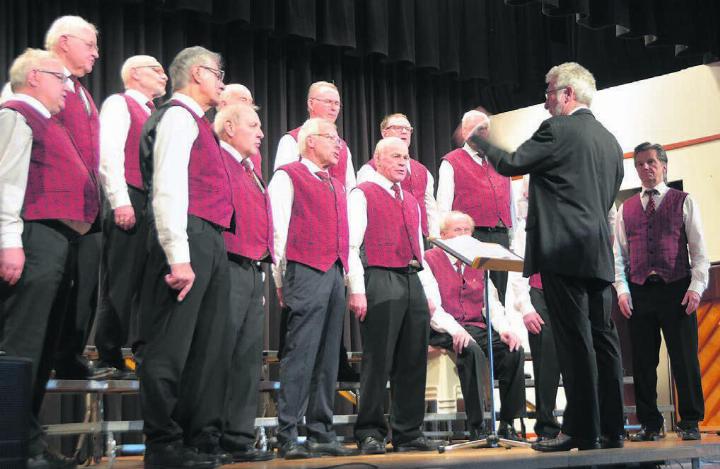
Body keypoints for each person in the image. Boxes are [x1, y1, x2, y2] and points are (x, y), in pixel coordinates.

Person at [465, 62, 625, 452]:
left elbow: (511, 163)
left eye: (550, 92)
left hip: (563, 253)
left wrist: (478, 140)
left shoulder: (557, 129)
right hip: (598, 254)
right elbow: (606, 196)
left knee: (574, 342)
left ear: (568, 94)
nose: (545, 101)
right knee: (603, 340)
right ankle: (612, 428)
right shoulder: (610, 141)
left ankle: (581, 430)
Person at [137, 46, 233, 469]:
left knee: (207, 347)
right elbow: (169, 187)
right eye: (218, 73)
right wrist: (178, 255)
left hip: (209, 237)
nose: (222, 81)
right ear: (197, 73)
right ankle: (164, 443)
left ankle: (197, 439)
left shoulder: (199, 123)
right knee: (171, 344)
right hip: (186, 234)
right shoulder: (177, 117)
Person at [1, 48, 93, 469]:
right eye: (61, 79)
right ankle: (11, 446)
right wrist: (9, 243)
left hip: (57, 242)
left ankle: (29, 442)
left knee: (40, 348)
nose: (67, 88)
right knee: (22, 346)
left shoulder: (48, 121)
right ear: (35, 77)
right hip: (32, 237)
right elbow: (6, 182)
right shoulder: (16, 114)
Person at [268, 117, 357, 459]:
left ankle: (321, 430)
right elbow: (278, 229)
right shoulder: (288, 175)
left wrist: (346, 275)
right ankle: (287, 432)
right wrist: (279, 279)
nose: (339, 144)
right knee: (301, 353)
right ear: (310, 142)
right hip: (304, 269)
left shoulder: (336, 184)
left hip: (334, 272)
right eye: (331, 138)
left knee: (327, 356)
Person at [348, 137, 440, 454]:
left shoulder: (411, 201)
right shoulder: (363, 193)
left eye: (406, 157)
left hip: (411, 278)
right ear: (378, 160)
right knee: (379, 359)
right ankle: (370, 431)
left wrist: (428, 292)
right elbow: (351, 246)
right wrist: (357, 289)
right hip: (379, 275)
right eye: (396, 157)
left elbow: (420, 252)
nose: (403, 162)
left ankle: (408, 431)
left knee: (413, 358)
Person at [614, 142, 709, 442]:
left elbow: (699, 250)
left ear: (664, 166)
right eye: (640, 163)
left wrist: (696, 287)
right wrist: (621, 290)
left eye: (652, 162)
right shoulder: (625, 209)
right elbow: (618, 255)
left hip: (677, 288)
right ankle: (650, 424)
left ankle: (691, 421)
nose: (646, 168)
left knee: (684, 358)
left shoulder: (683, 201)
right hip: (640, 291)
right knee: (643, 362)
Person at [424, 211, 526, 441]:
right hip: (443, 327)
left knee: (513, 351)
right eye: (457, 230)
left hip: (475, 325)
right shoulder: (429, 259)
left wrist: (505, 329)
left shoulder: (478, 261)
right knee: (471, 351)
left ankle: (508, 422)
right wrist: (456, 330)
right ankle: (478, 426)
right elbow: (433, 308)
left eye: (467, 231)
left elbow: (491, 302)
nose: (464, 235)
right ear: (443, 235)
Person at [95, 55, 167, 376]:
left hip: (154, 206)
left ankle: (144, 352)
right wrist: (120, 201)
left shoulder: (158, 114)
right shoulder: (119, 104)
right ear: (135, 74)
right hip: (130, 197)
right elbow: (109, 153)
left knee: (151, 283)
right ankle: (109, 354)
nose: (164, 76)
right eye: (157, 70)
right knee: (121, 280)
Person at [212, 103, 275, 462]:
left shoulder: (249, 169)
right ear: (230, 127)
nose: (261, 133)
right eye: (254, 125)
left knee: (247, 357)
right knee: (221, 353)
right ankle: (213, 434)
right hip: (227, 264)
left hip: (251, 269)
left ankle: (238, 435)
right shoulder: (217, 160)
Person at [43, 15, 104, 380]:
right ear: (65, 42)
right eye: (90, 44)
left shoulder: (81, 91)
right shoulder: (38, 79)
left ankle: (70, 355)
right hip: (53, 207)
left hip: (87, 207)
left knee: (83, 289)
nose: (96, 53)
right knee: (51, 289)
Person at [436, 110, 515, 304]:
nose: (481, 133)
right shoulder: (451, 162)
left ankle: (498, 334)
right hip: (470, 238)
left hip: (500, 236)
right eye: (476, 128)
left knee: (501, 296)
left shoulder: (500, 161)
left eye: (485, 129)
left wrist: (513, 236)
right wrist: (445, 244)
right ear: (464, 132)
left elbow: (510, 202)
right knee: (475, 296)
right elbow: (443, 207)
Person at [509, 178, 562, 442]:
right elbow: (518, 271)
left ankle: (580, 424)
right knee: (546, 365)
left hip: (568, 294)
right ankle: (547, 428)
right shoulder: (525, 229)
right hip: (539, 294)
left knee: (577, 362)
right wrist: (526, 308)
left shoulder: (566, 217)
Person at [356, 113, 440, 239]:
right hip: (388, 239)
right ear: (384, 133)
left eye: (408, 129)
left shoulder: (423, 171)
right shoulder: (370, 169)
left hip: (420, 239)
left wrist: (435, 239)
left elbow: (430, 209)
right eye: (398, 127)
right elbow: (363, 210)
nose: (404, 132)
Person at [273, 81, 356, 190]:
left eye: (337, 104)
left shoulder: (343, 147)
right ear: (311, 104)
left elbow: (350, 189)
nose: (334, 108)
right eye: (328, 102)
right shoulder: (291, 140)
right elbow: (281, 186)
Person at [217, 83, 262, 170]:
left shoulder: (252, 145)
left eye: (251, 102)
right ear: (223, 104)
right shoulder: (211, 137)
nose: (249, 106)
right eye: (243, 100)